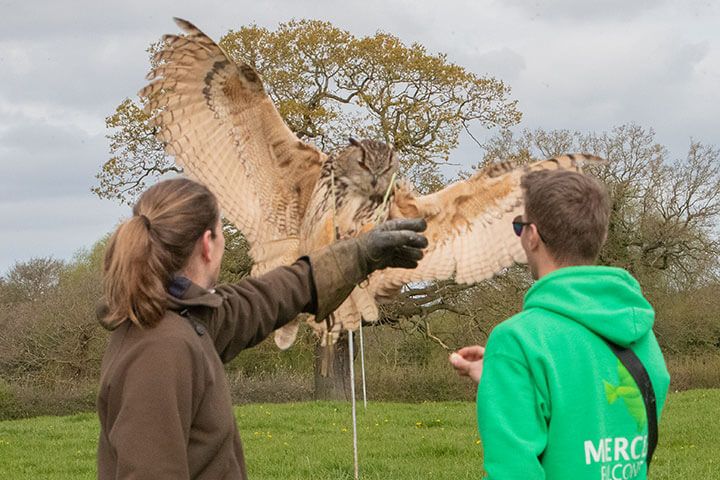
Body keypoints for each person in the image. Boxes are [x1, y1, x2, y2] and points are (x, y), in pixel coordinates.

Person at [96, 177, 428, 479]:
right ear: (207, 244)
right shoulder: (160, 350)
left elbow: (265, 297)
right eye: (222, 230)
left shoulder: (184, 318)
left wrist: (359, 254)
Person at [449, 169, 670, 479]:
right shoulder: (638, 329)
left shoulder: (518, 340)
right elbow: (598, 407)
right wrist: (504, 376)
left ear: (532, 235)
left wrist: (513, 365)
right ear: (600, 236)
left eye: (519, 225)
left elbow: (513, 472)